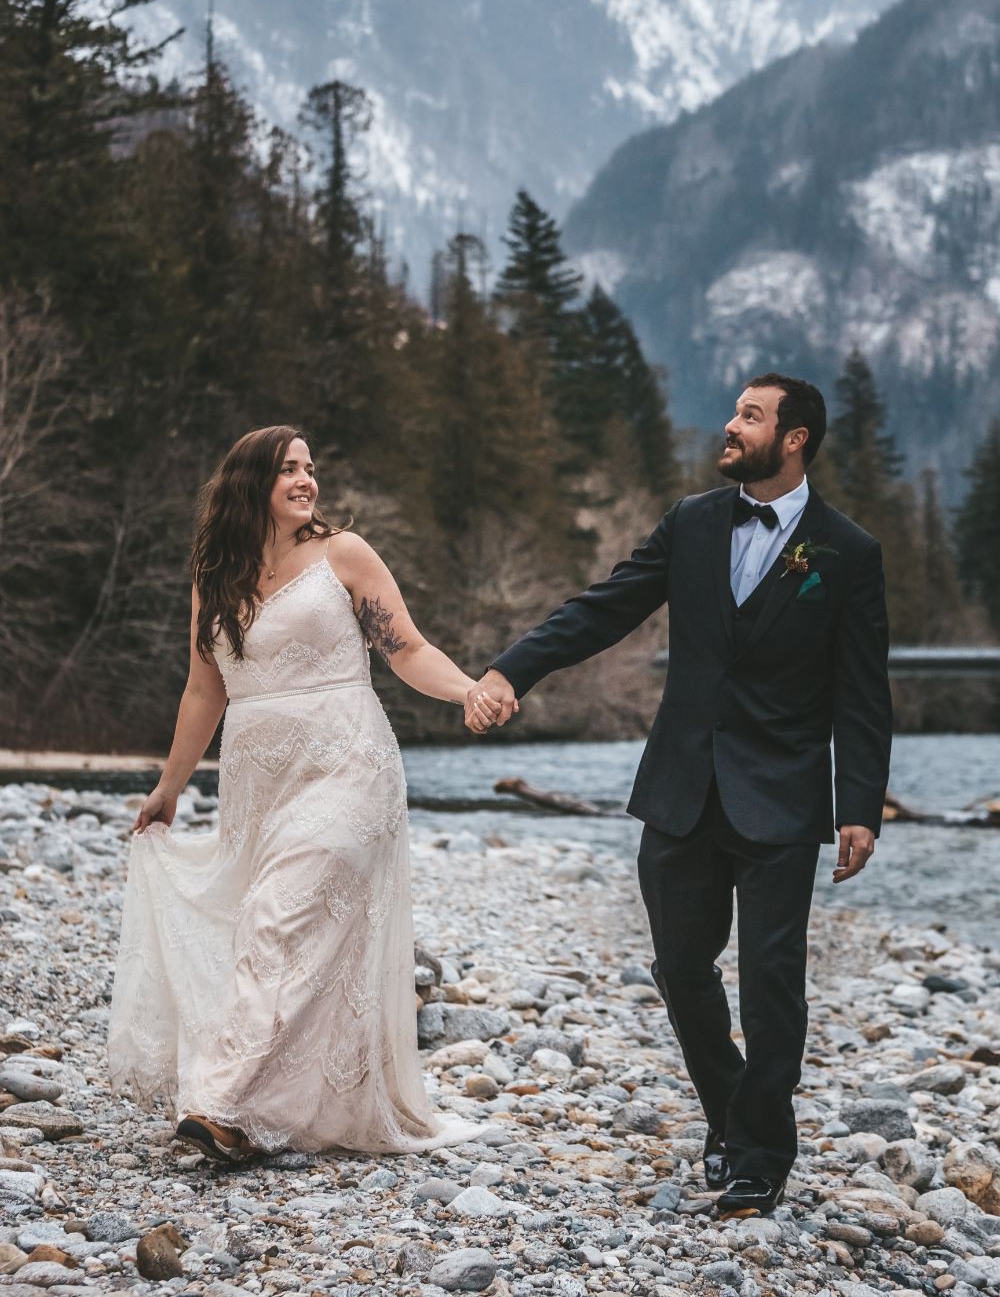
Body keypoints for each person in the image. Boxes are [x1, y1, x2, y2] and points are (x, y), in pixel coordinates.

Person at [466, 374, 892, 1217]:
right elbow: (604, 609)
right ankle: (731, 1115)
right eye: (735, 412)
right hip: (680, 789)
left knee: (773, 985)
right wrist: (511, 670)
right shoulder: (694, 521)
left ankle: (760, 1158)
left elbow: (863, 693)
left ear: (796, 437)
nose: (730, 426)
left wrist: (858, 806)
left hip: (781, 797)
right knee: (681, 969)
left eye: (751, 416)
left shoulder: (849, 551)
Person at [108, 425, 494, 1161]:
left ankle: (222, 1105)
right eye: (289, 469)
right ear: (252, 481)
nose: (306, 480)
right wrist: (168, 787)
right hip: (259, 779)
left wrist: (468, 690)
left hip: (348, 764)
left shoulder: (342, 553)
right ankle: (285, 1105)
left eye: (311, 467)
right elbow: (203, 690)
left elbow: (405, 647)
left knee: (275, 919)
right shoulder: (213, 573)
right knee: (295, 935)